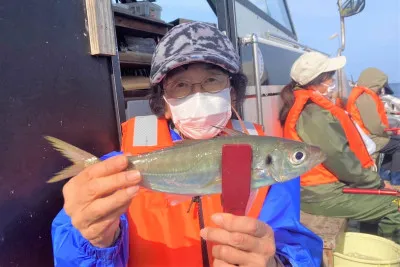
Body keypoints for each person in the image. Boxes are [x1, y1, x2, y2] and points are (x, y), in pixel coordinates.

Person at [51, 22, 324, 267]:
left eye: (211, 80)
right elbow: (70, 251)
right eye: (181, 85)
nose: (199, 93)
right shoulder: (116, 169)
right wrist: (93, 240)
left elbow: (298, 247)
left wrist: (276, 264)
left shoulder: (272, 169)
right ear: (166, 105)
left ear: (231, 93)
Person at [279, 51, 400, 244]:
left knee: (384, 199)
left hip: (323, 189)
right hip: (322, 195)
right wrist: (375, 182)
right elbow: (339, 157)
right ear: (318, 81)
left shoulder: (309, 108)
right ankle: (389, 254)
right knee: (395, 205)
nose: (332, 82)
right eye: (330, 77)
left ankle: (369, 245)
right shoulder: (314, 115)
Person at [346, 67, 400, 184]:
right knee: (398, 145)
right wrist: (389, 132)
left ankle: (385, 175)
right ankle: (396, 180)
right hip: (369, 138)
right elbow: (374, 126)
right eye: (380, 87)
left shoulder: (361, 94)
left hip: (365, 135)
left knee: (396, 142)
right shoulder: (365, 97)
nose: (381, 90)